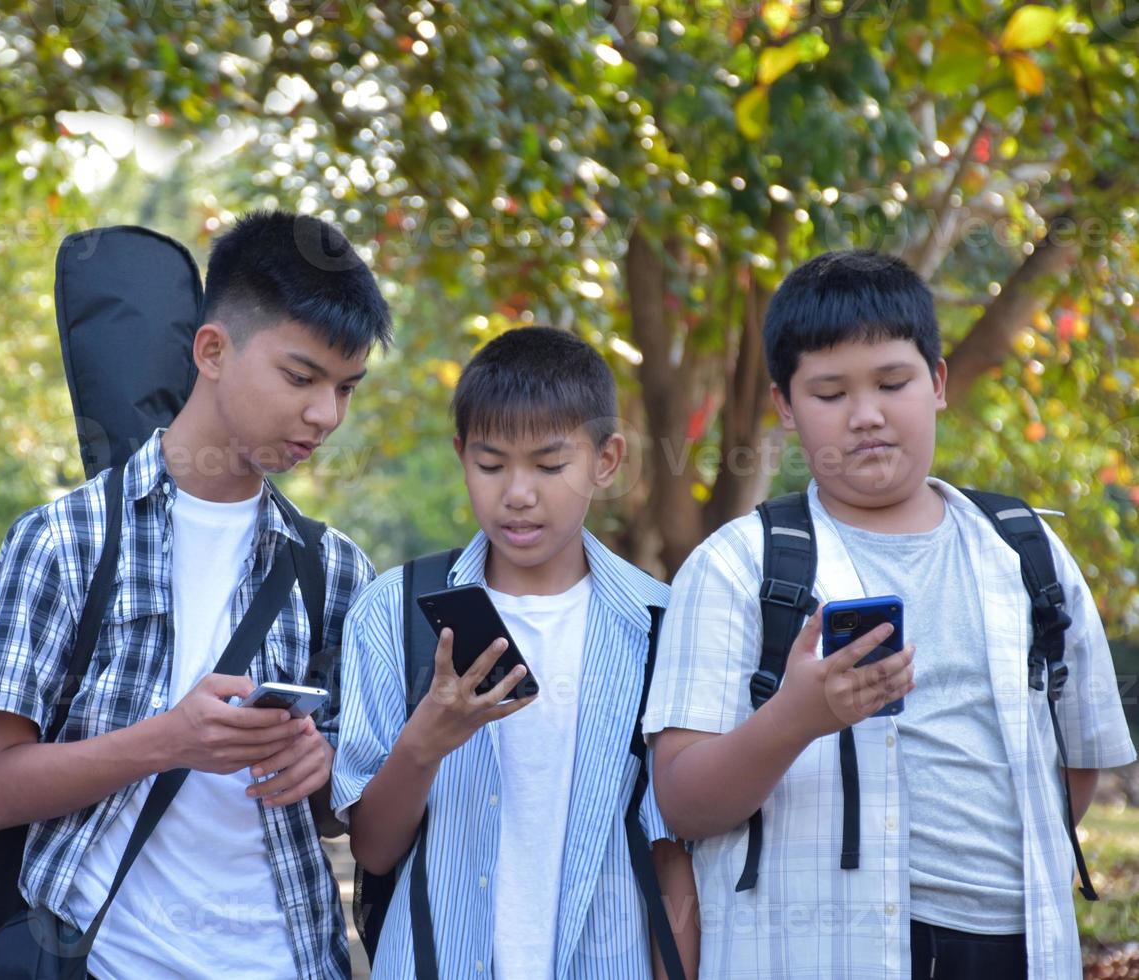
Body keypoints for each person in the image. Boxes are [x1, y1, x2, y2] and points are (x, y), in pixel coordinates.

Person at [645, 250, 1136, 978]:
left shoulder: (1027, 554)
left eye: (892, 382)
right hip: (819, 950)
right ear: (784, 405)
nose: (866, 415)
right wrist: (794, 719)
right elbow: (681, 801)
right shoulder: (736, 568)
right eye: (830, 392)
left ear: (937, 382)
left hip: (1017, 944)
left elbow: (1074, 764)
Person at [0, 210, 392, 979]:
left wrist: (320, 769)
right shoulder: (64, 541)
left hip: (289, 960)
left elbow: (337, 817)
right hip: (101, 961)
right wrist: (171, 739)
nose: (325, 415)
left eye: (346, 388)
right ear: (213, 350)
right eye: (301, 377)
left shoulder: (335, 569)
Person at [333, 326, 699, 979]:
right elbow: (374, 849)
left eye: (550, 465)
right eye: (492, 464)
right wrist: (426, 741)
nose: (518, 493)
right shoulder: (394, 613)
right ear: (460, 455)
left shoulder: (660, 626)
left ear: (606, 460)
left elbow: (672, 863)